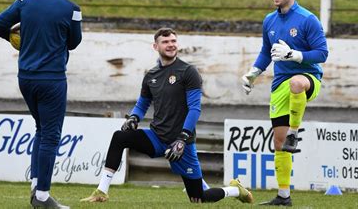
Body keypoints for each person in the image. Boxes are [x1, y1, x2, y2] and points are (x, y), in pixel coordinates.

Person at [81, 28, 253, 204]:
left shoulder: (188, 72)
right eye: (165, 42)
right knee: (120, 137)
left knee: (198, 198)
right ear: (155, 46)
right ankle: (101, 191)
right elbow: (142, 103)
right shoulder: (151, 75)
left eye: (173, 41)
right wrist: (134, 118)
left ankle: (234, 189)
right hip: (156, 137)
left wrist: (182, 138)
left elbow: (195, 109)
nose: (171, 45)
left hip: (180, 142)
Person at [0, 0, 82, 209]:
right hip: (52, 79)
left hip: (26, 78)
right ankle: (42, 196)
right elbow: (74, 42)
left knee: (41, 131)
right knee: (51, 136)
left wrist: (15, 38)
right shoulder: (72, 8)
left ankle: (36, 186)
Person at [241, 0, 328, 206]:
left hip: (308, 78)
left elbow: (322, 53)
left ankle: (295, 132)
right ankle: (283, 196)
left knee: (296, 83)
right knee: (279, 144)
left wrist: (295, 55)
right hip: (280, 84)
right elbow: (265, 51)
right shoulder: (269, 20)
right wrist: (253, 73)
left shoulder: (308, 19)